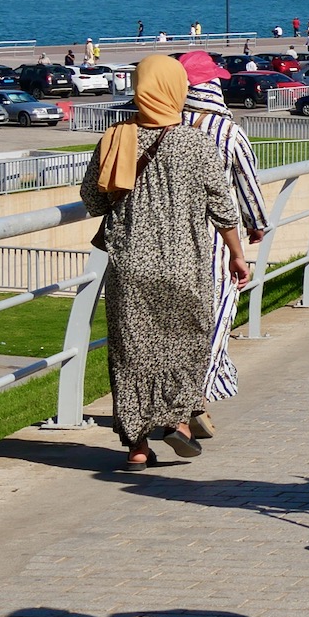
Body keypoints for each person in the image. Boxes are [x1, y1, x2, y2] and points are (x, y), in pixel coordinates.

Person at [80, 56, 250, 472]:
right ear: (177, 90)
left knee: (131, 352)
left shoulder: (116, 138)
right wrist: (236, 254)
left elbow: (93, 200)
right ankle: (178, 422)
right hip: (185, 265)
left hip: (130, 266)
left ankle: (137, 446)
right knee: (186, 342)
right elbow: (223, 209)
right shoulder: (197, 144)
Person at [178, 51, 269, 438]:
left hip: (168, 238)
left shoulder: (165, 124)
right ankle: (193, 398)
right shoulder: (228, 132)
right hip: (216, 240)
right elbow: (247, 182)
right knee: (216, 314)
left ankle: (181, 398)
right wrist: (256, 225)